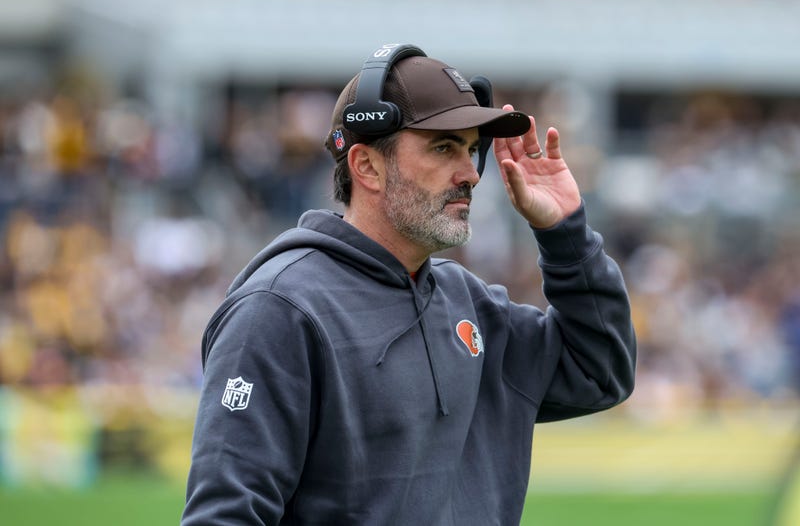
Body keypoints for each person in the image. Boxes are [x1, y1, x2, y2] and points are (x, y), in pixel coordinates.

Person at [181, 44, 636, 525]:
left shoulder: (470, 304)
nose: (470, 174)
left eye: (471, 149)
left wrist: (565, 232)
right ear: (366, 167)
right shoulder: (279, 309)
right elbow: (225, 516)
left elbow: (600, 372)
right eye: (443, 147)